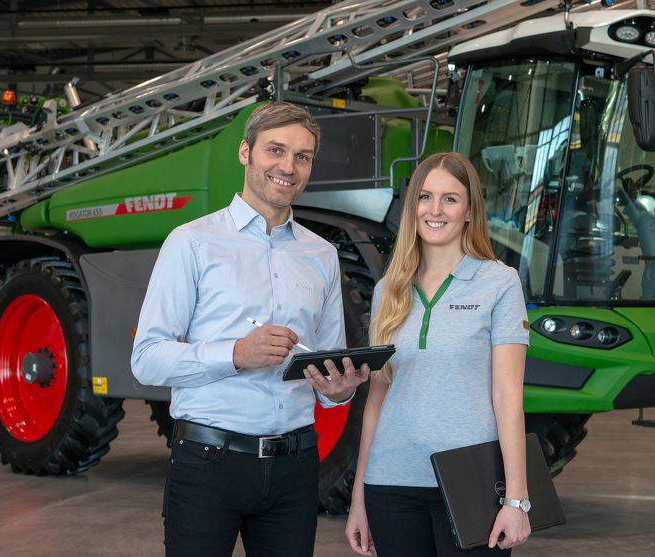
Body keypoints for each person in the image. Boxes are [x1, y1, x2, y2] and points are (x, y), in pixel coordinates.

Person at [131, 101, 371, 557]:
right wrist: (235, 353)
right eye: (275, 150)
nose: (288, 166)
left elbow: (324, 364)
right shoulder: (193, 242)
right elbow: (146, 358)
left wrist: (338, 390)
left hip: (296, 468)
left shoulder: (321, 255)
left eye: (303, 156)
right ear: (245, 152)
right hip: (208, 465)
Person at [345, 152, 531, 556]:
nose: (435, 209)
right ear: (412, 208)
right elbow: (377, 400)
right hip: (390, 484)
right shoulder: (388, 290)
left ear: (469, 211)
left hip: (471, 482)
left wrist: (516, 499)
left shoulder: (499, 283)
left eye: (450, 198)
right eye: (425, 197)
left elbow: (508, 398)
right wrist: (359, 496)